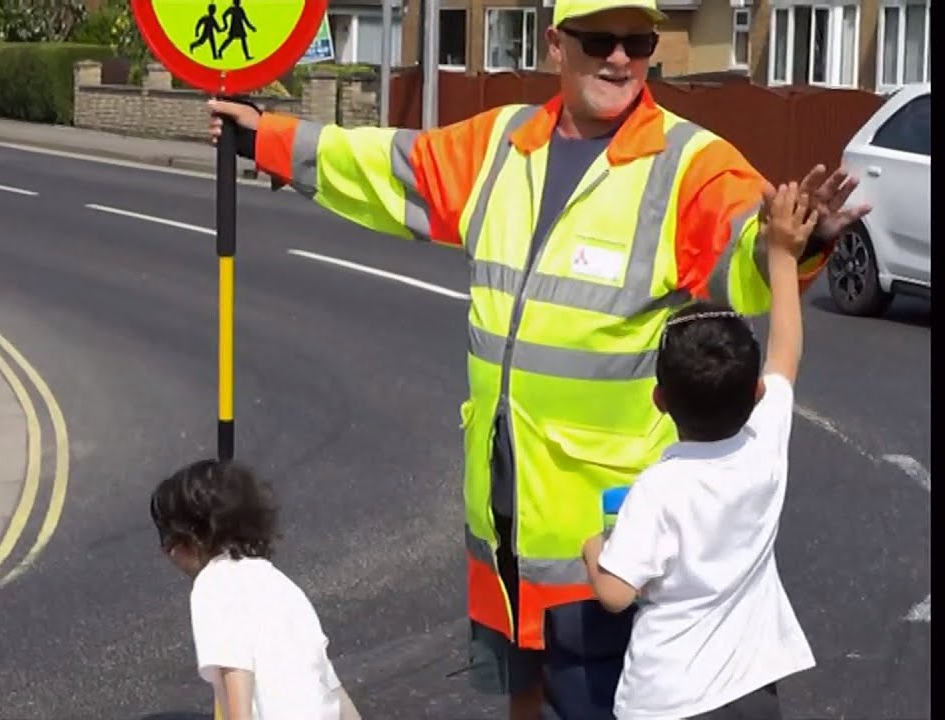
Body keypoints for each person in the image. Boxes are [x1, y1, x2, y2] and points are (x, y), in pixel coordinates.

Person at [205, 0, 871, 716]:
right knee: (524, 700)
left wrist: (800, 244)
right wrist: (268, 139)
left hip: (608, 540)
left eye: (637, 42)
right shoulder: (503, 144)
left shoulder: (688, 163)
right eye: (598, 40)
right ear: (555, 46)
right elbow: (392, 168)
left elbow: (746, 247)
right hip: (505, 521)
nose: (619, 58)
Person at [580, 181, 819, 719]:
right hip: (752, 689)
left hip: (668, 700)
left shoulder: (658, 490)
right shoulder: (764, 444)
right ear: (756, 393)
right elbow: (786, 352)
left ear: (659, 400)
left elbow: (617, 594)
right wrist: (783, 255)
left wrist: (593, 548)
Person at [149, 459, 363, 720]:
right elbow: (328, 681)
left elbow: (237, 669)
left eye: (167, 538)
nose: (165, 551)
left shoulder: (212, 586)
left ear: (190, 538)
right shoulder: (278, 582)